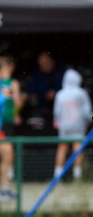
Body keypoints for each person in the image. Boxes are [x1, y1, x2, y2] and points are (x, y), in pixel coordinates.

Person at [53, 69, 92, 182]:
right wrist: (87, 121)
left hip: (64, 126)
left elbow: (57, 112)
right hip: (78, 125)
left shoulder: (60, 94)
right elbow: (86, 112)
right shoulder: (81, 93)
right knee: (78, 147)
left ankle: (57, 175)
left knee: (62, 147)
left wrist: (58, 122)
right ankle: (77, 176)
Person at [0, 56, 23, 201]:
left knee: (8, 152)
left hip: (3, 128)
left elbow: (15, 101)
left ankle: (4, 189)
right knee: (7, 152)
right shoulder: (6, 86)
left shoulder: (9, 85)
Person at [26, 52, 65, 126]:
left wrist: (56, 92)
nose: (43, 66)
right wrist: (33, 95)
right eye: (40, 64)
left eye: (45, 63)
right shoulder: (37, 74)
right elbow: (32, 90)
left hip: (59, 109)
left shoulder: (61, 72)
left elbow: (66, 90)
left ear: (52, 61)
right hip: (42, 108)